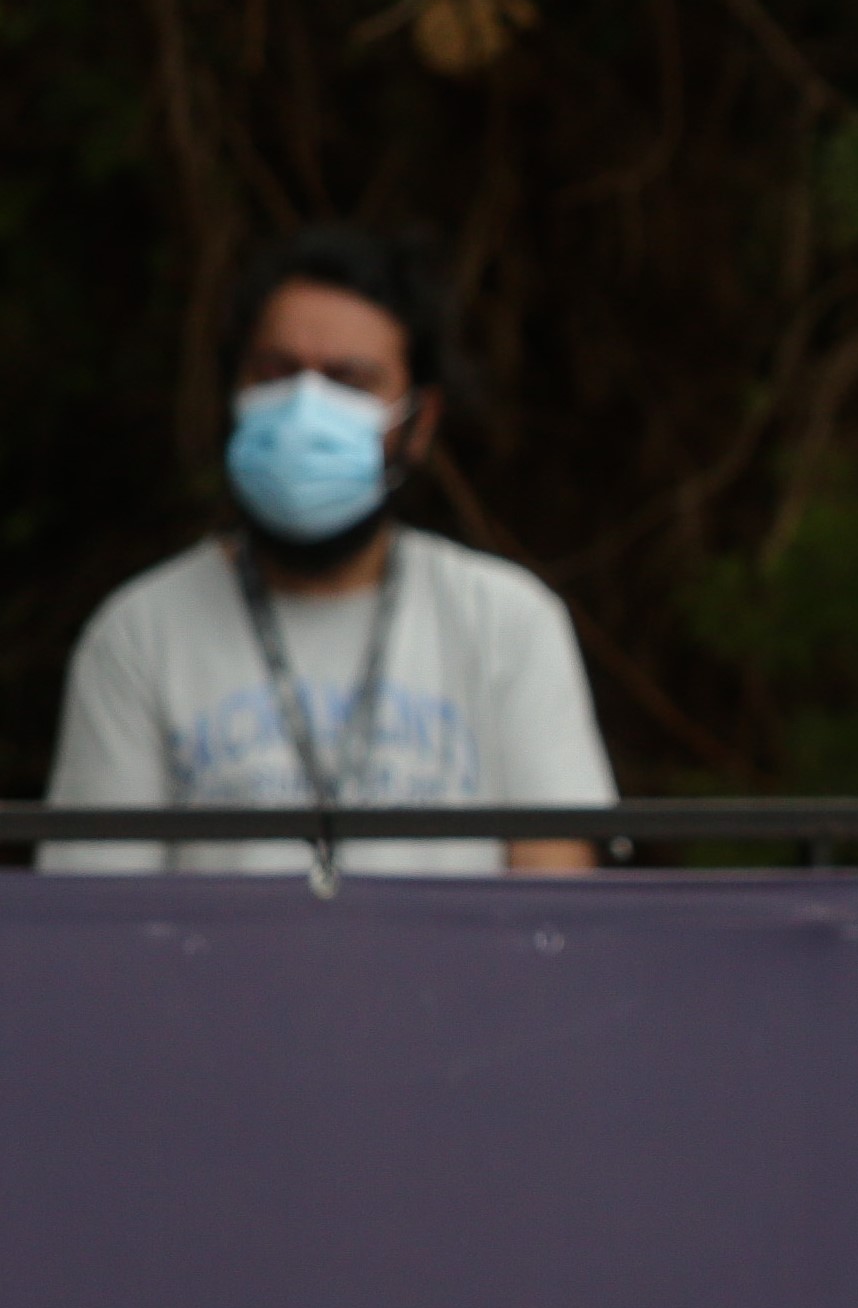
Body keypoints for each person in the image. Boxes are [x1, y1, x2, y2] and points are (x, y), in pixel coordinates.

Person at [41, 225, 613, 876]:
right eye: (276, 372)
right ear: (234, 390)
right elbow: (99, 909)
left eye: (349, 381)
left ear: (419, 423)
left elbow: (553, 897)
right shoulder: (139, 633)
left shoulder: (506, 621)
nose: (305, 407)